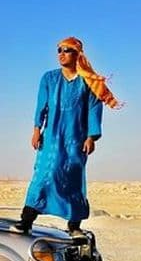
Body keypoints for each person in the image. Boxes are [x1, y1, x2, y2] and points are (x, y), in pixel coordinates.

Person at [12, 36, 123, 236]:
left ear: (78, 54)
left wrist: (91, 137)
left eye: (67, 50)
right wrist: (37, 129)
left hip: (76, 139)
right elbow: (41, 105)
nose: (61, 54)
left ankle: (74, 226)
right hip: (52, 137)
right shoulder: (49, 78)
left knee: (73, 178)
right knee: (43, 175)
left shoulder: (89, 82)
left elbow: (94, 109)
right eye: (59, 50)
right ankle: (26, 220)